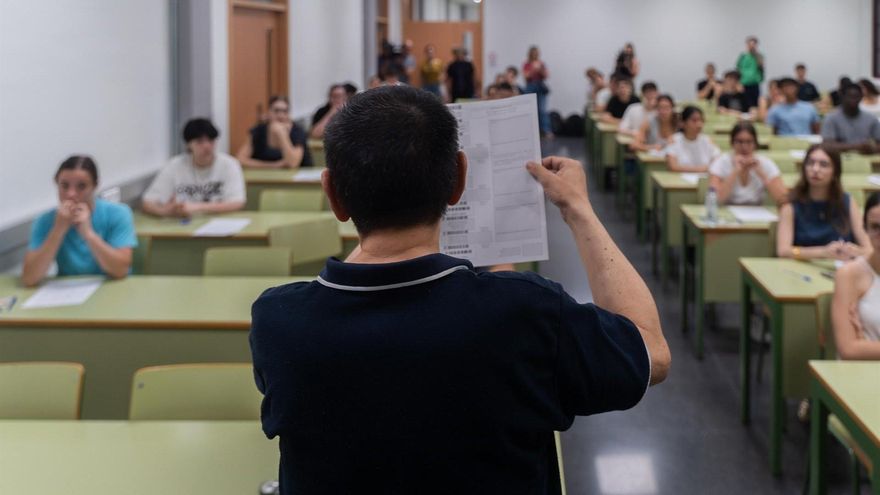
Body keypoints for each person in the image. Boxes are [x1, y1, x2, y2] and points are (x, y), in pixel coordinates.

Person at [249, 85, 670, 494]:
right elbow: (650, 352)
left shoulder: (277, 322)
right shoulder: (525, 312)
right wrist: (578, 209)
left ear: (333, 195)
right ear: (459, 181)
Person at [22, 156, 136, 287]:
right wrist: (58, 230)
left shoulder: (118, 213)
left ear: (94, 185)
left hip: (113, 287)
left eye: (81, 186)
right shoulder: (45, 220)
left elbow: (120, 270)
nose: (71, 194)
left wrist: (88, 233)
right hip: (69, 293)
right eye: (64, 186)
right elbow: (29, 278)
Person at [776, 145, 871, 261]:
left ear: (835, 172)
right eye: (810, 163)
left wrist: (855, 251)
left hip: (842, 269)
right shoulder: (790, 205)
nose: (815, 169)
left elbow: (869, 249)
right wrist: (823, 252)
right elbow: (783, 251)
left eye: (824, 165)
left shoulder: (848, 202)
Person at [142, 118, 246, 218]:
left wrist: (197, 207)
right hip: (183, 226)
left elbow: (237, 202)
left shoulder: (229, 165)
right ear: (188, 145)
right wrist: (167, 212)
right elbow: (148, 202)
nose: (207, 146)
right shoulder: (175, 165)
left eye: (211, 140)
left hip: (221, 224)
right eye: (199, 141)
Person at [832, 192, 880, 359]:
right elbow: (848, 349)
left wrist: (867, 345)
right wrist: (860, 346)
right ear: (865, 228)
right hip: (861, 374)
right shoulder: (849, 274)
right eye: (875, 227)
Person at [708, 122, 788, 205]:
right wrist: (735, 171)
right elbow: (715, 200)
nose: (744, 147)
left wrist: (762, 174)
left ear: (755, 144)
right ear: (732, 143)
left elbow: (783, 199)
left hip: (756, 213)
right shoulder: (721, 162)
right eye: (739, 141)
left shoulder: (765, 163)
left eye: (749, 142)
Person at [236, 96, 312, 169]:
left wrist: (281, 134)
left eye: (285, 111)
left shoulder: (297, 131)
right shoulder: (258, 131)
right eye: (276, 111)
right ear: (268, 112)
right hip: (265, 177)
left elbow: (292, 163)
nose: (281, 115)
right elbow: (241, 160)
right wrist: (273, 166)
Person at [821, 83, 880, 154]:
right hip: (838, 159)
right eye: (850, 96)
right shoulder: (831, 118)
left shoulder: (871, 119)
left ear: (861, 97)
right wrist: (857, 147)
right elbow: (827, 145)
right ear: (842, 97)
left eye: (856, 96)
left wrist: (872, 148)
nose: (853, 100)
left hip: (865, 159)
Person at [665, 106, 720, 173]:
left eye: (701, 120)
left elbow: (717, 161)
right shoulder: (674, 140)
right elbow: (673, 166)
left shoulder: (707, 140)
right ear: (683, 123)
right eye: (694, 120)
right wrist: (701, 169)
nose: (699, 124)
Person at [523, 45, 552, 137]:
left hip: (540, 86)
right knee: (529, 109)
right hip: (531, 86)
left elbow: (547, 75)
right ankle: (529, 130)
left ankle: (546, 130)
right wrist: (533, 69)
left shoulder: (542, 63)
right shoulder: (527, 64)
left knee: (542, 110)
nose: (536, 54)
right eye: (534, 53)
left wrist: (540, 70)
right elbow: (526, 76)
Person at [736, 36, 764, 109]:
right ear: (747, 45)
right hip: (744, 85)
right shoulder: (742, 57)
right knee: (745, 105)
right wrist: (738, 83)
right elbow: (738, 71)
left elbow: (762, 70)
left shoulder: (759, 56)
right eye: (750, 44)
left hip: (755, 84)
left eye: (754, 44)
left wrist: (760, 79)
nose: (752, 46)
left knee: (755, 105)